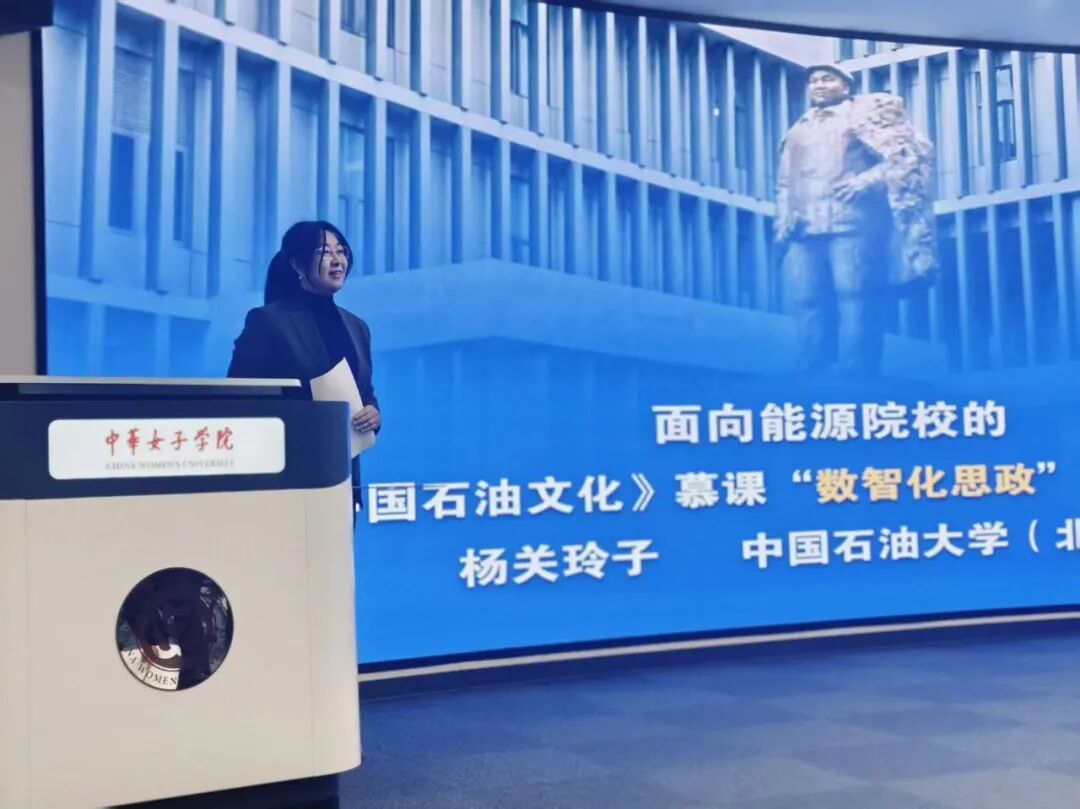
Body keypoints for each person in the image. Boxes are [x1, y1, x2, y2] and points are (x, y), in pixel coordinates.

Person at [775, 63, 936, 376]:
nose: (819, 85)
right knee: (808, 298)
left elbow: (905, 157)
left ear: (846, 87)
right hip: (802, 226)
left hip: (851, 222)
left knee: (856, 296)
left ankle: (858, 367)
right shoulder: (797, 130)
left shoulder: (863, 117)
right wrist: (782, 219)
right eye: (814, 81)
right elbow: (784, 183)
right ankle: (811, 363)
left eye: (827, 79)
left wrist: (864, 182)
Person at [227, 221, 380, 509]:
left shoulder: (357, 327)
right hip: (286, 478)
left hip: (343, 480)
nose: (337, 260)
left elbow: (365, 392)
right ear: (298, 264)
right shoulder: (269, 322)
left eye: (341, 251)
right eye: (324, 252)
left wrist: (373, 413)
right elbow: (238, 398)